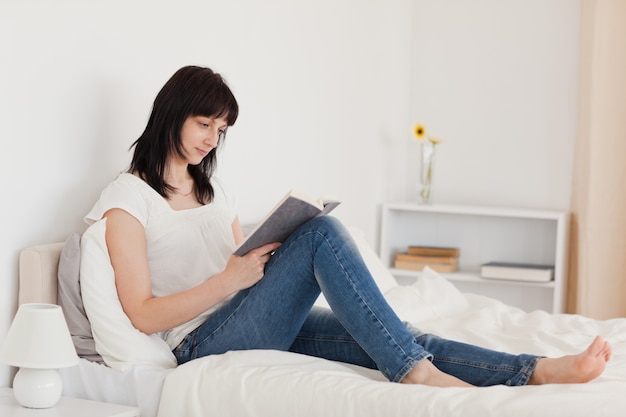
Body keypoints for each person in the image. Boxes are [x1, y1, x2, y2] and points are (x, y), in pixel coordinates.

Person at [85, 65, 611, 388]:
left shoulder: (215, 190)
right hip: (199, 342)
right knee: (323, 236)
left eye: (221, 130)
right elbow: (142, 315)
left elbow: (236, 262)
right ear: (171, 113)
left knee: (390, 334)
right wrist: (230, 281)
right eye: (204, 124)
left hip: (247, 318)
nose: (212, 140)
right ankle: (416, 374)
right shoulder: (127, 200)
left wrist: (258, 259)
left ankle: (535, 369)